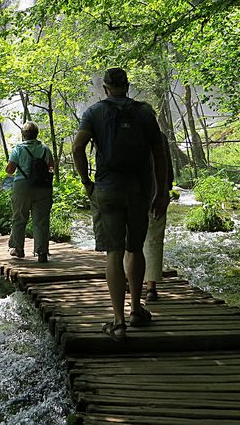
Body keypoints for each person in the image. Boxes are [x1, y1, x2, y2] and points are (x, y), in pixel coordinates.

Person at [72, 67, 169, 341]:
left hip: (106, 188)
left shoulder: (94, 112)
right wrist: (161, 192)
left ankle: (117, 322)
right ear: (128, 86)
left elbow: (78, 147)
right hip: (139, 189)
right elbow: (159, 155)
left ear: (105, 88)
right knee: (135, 249)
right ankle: (136, 310)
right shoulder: (144, 112)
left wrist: (86, 182)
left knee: (113, 252)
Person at [6, 121, 55, 263]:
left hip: (22, 186)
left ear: (23, 135)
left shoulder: (18, 149)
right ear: (36, 134)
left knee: (19, 217)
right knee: (41, 220)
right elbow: (51, 167)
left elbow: (10, 170)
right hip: (43, 187)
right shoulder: (45, 149)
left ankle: (18, 248)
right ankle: (42, 252)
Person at [144, 131, 175, 301]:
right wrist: (166, 190)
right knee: (154, 240)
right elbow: (167, 166)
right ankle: (151, 287)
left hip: (132, 193)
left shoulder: (129, 133)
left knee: (129, 238)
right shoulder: (160, 136)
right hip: (157, 192)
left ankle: (129, 279)